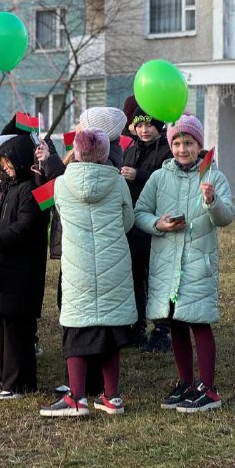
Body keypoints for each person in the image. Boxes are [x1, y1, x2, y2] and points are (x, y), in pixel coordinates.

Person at [134, 114, 233, 413]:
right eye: (176, 143)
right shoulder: (158, 177)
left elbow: (226, 218)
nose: (181, 149)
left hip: (197, 262)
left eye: (188, 142)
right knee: (175, 321)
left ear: (198, 145)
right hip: (166, 263)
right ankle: (185, 382)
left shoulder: (213, 176)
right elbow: (139, 213)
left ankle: (209, 388)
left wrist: (212, 201)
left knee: (199, 322)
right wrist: (159, 224)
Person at [40, 129, 136, 417]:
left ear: (77, 153)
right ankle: (112, 397)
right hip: (113, 265)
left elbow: (57, 214)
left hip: (77, 266)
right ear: (106, 154)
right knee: (110, 328)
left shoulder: (60, 184)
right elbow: (128, 220)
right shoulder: (118, 183)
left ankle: (77, 398)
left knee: (77, 328)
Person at [0, 134, 50, 398]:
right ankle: (5, 376)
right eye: (3, 165)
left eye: (9, 164)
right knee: (0, 324)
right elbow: (6, 225)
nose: (6, 169)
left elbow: (25, 227)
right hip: (3, 266)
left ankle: (18, 382)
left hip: (22, 271)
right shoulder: (10, 189)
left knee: (16, 329)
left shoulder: (30, 189)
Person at [120, 107, 173, 352]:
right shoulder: (130, 148)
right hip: (133, 224)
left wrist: (138, 174)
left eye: (148, 125)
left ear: (158, 126)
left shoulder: (167, 150)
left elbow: (166, 182)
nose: (143, 130)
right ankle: (137, 326)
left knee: (156, 279)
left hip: (156, 222)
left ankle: (162, 330)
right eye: (139, 125)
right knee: (134, 277)